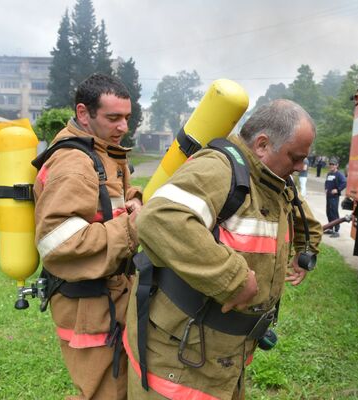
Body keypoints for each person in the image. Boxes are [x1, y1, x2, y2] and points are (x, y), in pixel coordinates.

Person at [124, 99, 323, 399]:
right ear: (262, 144)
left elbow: (303, 219)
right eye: (296, 157)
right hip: (179, 363)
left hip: (224, 354)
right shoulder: (218, 169)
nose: (301, 167)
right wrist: (232, 278)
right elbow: (159, 217)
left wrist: (306, 252)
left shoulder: (276, 179)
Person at [33, 73, 142, 400]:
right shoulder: (74, 163)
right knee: (103, 394)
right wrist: (135, 226)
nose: (123, 126)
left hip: (108, 296)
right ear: (84, 113)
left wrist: (134, 198)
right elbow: (57, 241)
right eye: (113, 118)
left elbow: (106, 198)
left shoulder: (103, 151)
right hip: (88, 307)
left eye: (126, 117)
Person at [324, 157, 346, 238]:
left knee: (334, 213)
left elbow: (344, 183)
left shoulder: (339, 174)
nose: (331, 165)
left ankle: (336, 231)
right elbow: (326, 182)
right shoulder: (329, 174)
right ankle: (330, 228)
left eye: (333, 164)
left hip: (334, 197)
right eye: (330, 164)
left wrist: (338, 190)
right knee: (328, 212)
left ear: (337, 165)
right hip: (328, 196)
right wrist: (326, 188)